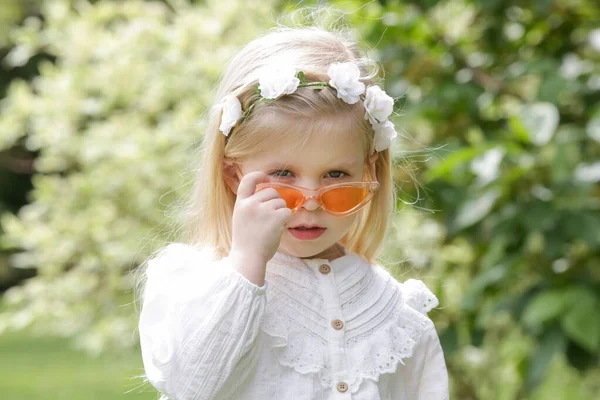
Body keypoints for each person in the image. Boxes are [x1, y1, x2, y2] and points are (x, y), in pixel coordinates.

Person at [136, 12, 449, 400]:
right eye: (283, 173)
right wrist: (247, 263)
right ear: (234, 175)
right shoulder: (190, 283)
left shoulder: (399, 315)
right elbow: (191, 385)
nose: (311, 203)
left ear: (369, 173)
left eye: (335, 175)